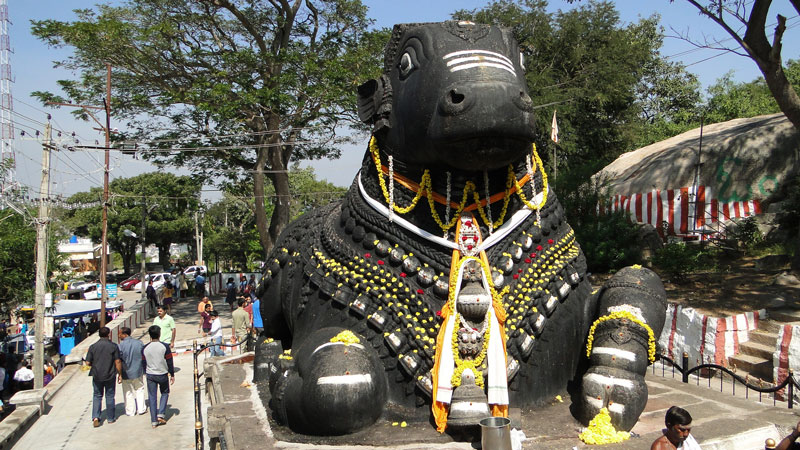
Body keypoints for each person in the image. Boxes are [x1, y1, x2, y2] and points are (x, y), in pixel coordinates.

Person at [84, 326, 122, 427]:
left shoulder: (93, 347)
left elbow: (87, 362)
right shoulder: (113, 346)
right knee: (109, 396)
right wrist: (120, 374)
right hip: (110, 374)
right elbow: (117, 361)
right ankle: (110, 418)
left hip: (97, 375)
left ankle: (96, 417)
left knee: (97, 395)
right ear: (108, 334)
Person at [143, 325, 174, 428]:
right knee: (165, 393)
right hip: (162, 373)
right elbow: (169, 361)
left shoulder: (145, 347)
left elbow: (143, 362)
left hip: (150, 374)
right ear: (159, 334)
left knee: (152, 397)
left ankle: (154, 421)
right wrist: (172, 374)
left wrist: (145, 372)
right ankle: (161, 413)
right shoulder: (164, 346)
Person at [118, 327, 146, 416]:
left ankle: (130, 411)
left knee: (128, 392)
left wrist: (119, 373)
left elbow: (118, 360)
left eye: (120, 334)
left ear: (125, 334)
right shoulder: (139, 343)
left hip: (126, 372)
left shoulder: (120, 346)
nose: (119, 336)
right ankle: (141, 409)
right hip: (138, 370)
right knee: (139, 389)